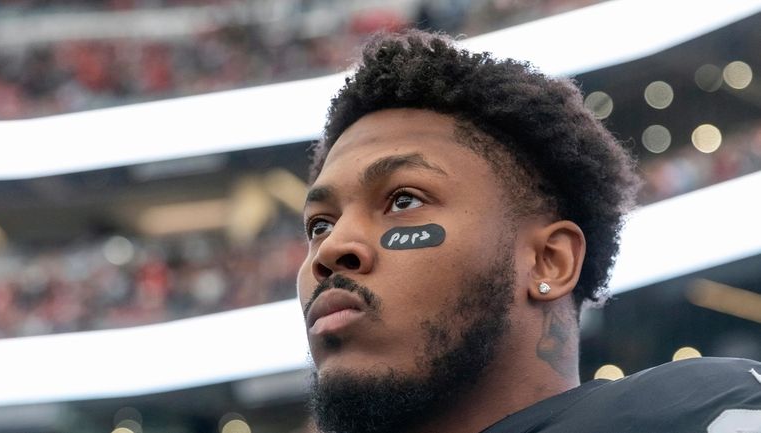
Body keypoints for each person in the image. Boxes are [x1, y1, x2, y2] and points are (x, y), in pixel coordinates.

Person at [295, 30, 761, 433]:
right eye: (320, 224)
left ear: (549, 261)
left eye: (404, 201)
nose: (331, 248)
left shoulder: (699, 411)